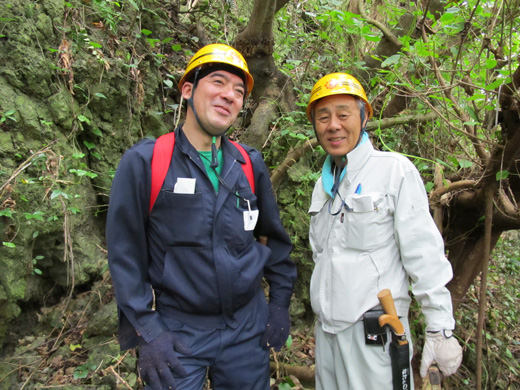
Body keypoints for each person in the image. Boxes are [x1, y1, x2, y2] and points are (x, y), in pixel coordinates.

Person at [106, 43, 296, 390]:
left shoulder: (248, 165)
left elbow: (275, 242)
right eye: (218, 82)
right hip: (178, 332)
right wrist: (148, 333)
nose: (230, 95)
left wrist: (279, 304)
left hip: (245, 330)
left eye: (239, 91)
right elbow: (125, 256)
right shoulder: (147, 162)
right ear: (188, 90)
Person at [306, 72, 463, 389]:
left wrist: (440, 327)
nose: (333, 125)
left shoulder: (394, 170)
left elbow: (423, 253)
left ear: (363, 117)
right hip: (327, 335)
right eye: (323, 117)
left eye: (343, 114)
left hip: (376, 334)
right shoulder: (321, 186)